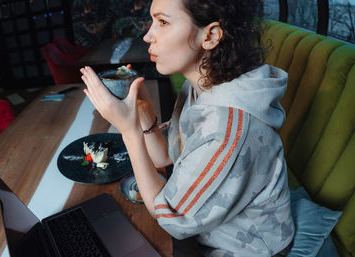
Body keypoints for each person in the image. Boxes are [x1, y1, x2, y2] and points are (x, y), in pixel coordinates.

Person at [80, 0, 295, 256]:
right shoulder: (202, 85)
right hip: (206, 230)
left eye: (163, 22)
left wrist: (128, 131)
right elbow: (166, 156)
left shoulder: (228, 129)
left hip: (248, 249)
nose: (148, 35)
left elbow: (172, 218)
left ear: (211, 35)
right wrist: (144, 111)